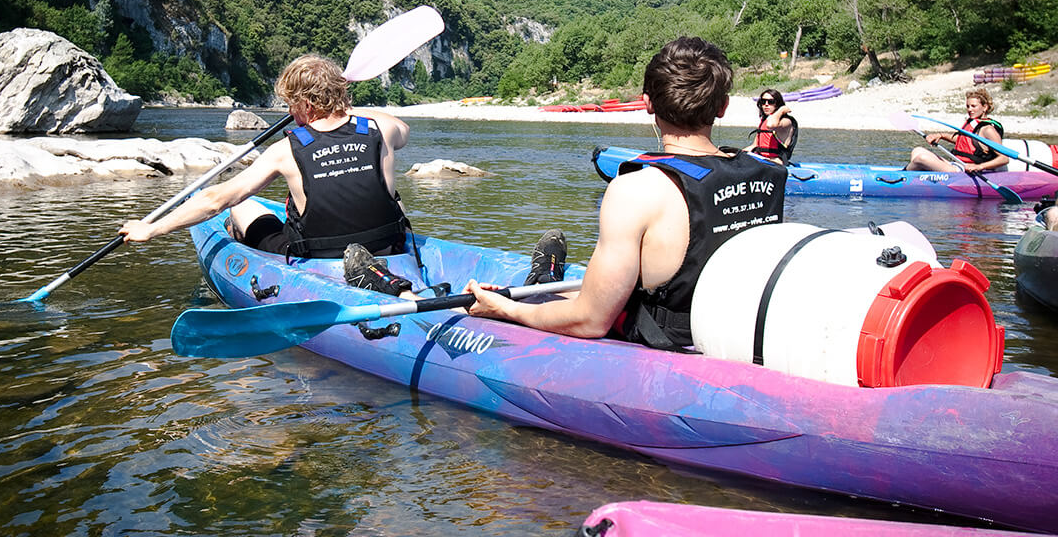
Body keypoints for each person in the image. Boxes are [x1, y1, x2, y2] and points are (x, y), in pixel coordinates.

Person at [463, 36, 788, 350]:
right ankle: (542, 281)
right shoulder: (770, 174)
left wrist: (506, 310)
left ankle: (537, 285)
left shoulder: (636, 190)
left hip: (668, 341)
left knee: (535, 303)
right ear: (723, 107)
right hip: (734, 329)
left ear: (647, 103)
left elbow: (591, 321)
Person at [119, 54, 417, 296]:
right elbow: (401, 129)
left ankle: (246, 269)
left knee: (241, 205)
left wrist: (152, 229)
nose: (290, 110)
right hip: (387, 248)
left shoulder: (285, 150)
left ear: (307, 105)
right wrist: (344, 108)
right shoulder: (382, 130)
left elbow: (213, 201)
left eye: (291, 104)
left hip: (319, 259)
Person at [905, 89, 1009, 173]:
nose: (969, 109)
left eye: (974, 106)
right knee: (917, 150)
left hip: (967, 171)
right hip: (958, 164)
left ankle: (901, 176)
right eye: (968, 106)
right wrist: (940, 135)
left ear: (985, 107)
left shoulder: (988, 130)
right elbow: (963, 140)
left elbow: (1004, 159)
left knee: (922, 158)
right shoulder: (972, 123)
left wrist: (979, 167)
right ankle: (913, 174)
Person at [743, 88, 798, 163]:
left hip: (776, 163)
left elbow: (771, 125)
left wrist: (781, 110)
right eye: (763, 101)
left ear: (777, 104)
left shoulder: (786, 121)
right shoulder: (764, 121)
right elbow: (754, 145)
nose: (766, 104)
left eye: (770, 102)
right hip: (761, 159)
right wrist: (738, 154)